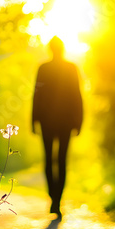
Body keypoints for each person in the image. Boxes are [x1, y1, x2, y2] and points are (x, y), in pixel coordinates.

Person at [32, 36, 83, 218]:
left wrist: (34, 120)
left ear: (51, 49)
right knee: (60, 160)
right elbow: (78, 95)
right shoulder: (70, 68)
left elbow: (36, 94)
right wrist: (79, 121)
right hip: (64, 123)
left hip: (49, 122)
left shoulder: (44, 68)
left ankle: (54, 198)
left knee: (50, 160)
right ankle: (56, 199)